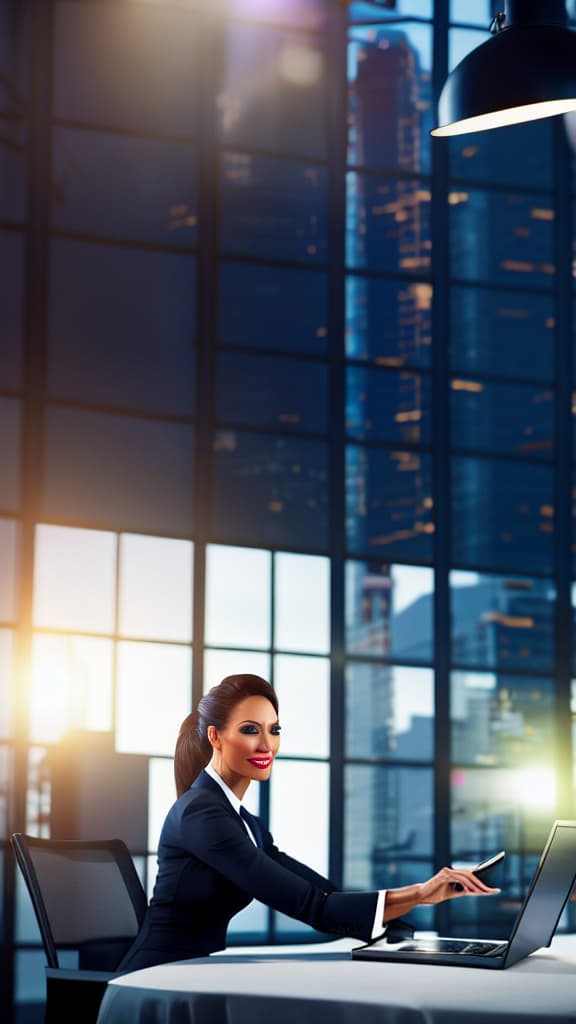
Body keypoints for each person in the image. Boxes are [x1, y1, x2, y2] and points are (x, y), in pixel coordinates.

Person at [118, 674, 499, 971]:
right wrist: (420, 894)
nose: (266, 745)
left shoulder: (243, 821)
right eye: (250, 729)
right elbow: (311, 907)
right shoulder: (201, 815)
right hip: (156, 979)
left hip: (196, 975)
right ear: (216, 737)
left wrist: (398, 929)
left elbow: (323, 893)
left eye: (274, 730)